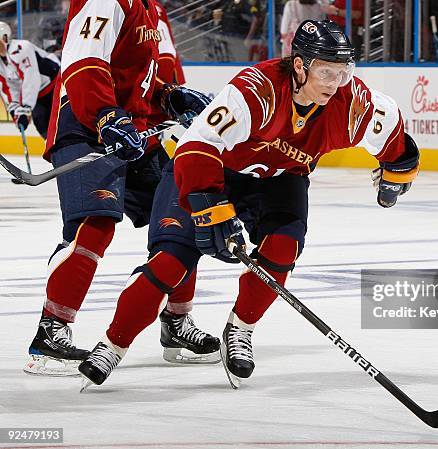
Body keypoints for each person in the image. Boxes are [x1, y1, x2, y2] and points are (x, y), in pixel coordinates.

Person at [77, 19, 420, 388]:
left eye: (342, 71)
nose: (334, 82)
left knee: (284, 245)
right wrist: (212, 208)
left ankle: (240, 329)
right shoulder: (257, 90)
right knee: (170, 265)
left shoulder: (353, 105)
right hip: (209, 172)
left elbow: (397, 142)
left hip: (279, 181)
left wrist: (396, 176)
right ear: (300, 65)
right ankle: (112, 345)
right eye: (325, 71)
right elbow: (197, 147)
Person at [24, 0, 216, 377]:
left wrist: (168, 97)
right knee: (95, 225)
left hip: (134, 130)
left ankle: (176, 322)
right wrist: (105, 114)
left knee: (183, 210)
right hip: (85, 121)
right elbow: (84, 63)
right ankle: (50, 331)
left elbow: (139, 77)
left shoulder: (146, 7)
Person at [0, 21, 59, 139]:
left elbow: (31, 77)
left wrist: (26, 108)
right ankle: (56, 156)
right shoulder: (1, 64)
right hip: (38, 95)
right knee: (42, 125)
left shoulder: (20, 48)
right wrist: (15, 109)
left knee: (65, 122)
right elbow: (9, 87)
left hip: (57, 85)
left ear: (5, 37)